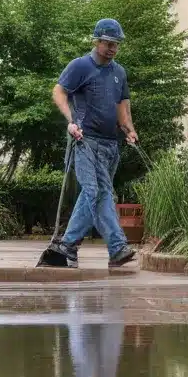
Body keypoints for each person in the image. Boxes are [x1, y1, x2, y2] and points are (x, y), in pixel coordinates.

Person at [41, 18, 138, 270]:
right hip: (85, 140)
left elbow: (122, 106)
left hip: (110, 145)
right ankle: (117, 247)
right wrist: (70, 121)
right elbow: (58, 91)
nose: (112, 48)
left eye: (116, 44)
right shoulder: (81, 66)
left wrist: (129, 129)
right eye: (108, 43)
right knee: (98, 191)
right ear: (97, 41)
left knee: (93, 193)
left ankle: (67, 246)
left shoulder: (119, 72)